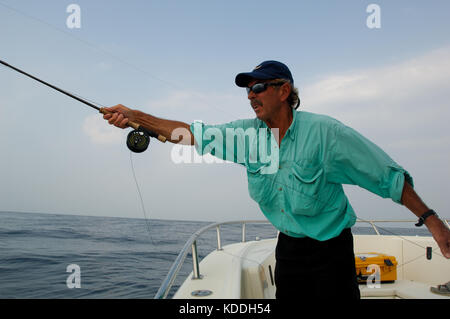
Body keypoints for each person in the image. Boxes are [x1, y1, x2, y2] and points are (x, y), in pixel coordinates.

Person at [102, 60, 450, 299]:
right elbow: (192, 134)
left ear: (284, 91)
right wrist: (137, 118)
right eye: (248, 90)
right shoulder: (245, 136)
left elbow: (386, 177)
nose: (250, 95)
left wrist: (433, 222)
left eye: (258, 87)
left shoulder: (327, 134)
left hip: (333, 253)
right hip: (289, 252)